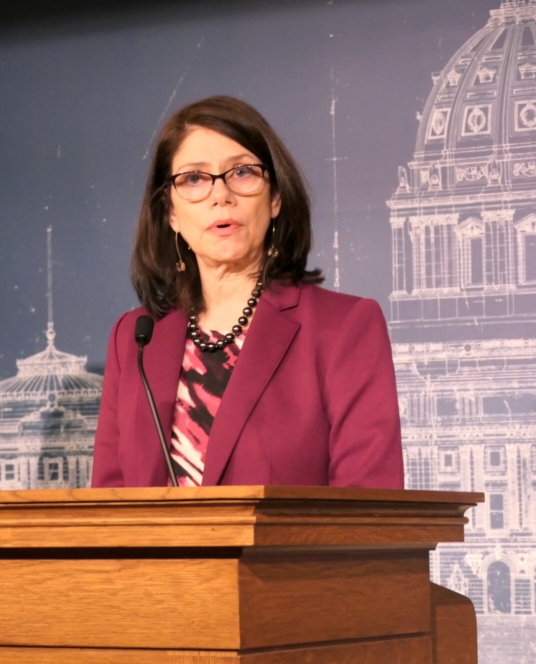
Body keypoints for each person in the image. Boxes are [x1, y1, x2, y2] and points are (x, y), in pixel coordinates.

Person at [92, 96, 403, 489]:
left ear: (275, 199)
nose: (220, 195)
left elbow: (367, 507)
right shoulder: (135, 337)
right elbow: (109, 504)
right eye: (194, 178)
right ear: (170, 212)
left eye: (241, 172)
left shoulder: (343, 328)